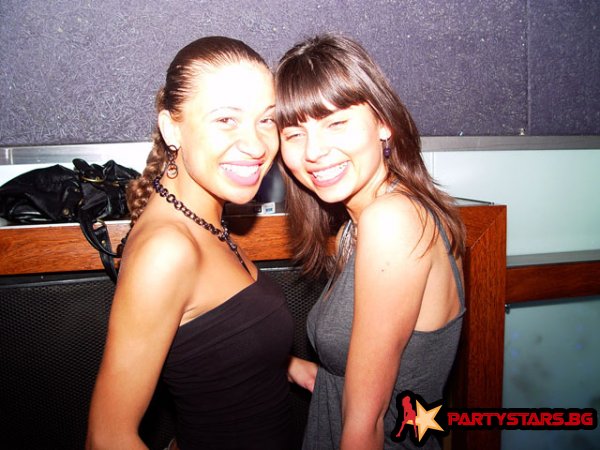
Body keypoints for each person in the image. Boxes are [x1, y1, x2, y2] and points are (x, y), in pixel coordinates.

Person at [86, 36, 309, 450]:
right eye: (226, 119)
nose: (256, 145)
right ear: (172, 128)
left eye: (266, 120)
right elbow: (107, 438)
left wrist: (288, 366)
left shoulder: (204, 218)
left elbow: (211, 349)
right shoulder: (167, 250)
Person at [274, 33, 466, 449]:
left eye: (336, 123)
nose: (313, 151)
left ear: (383, 122)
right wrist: (279, 362)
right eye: (294, 134)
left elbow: (367, 423)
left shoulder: (391, 221)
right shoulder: (355, 225)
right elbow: (351, 378)